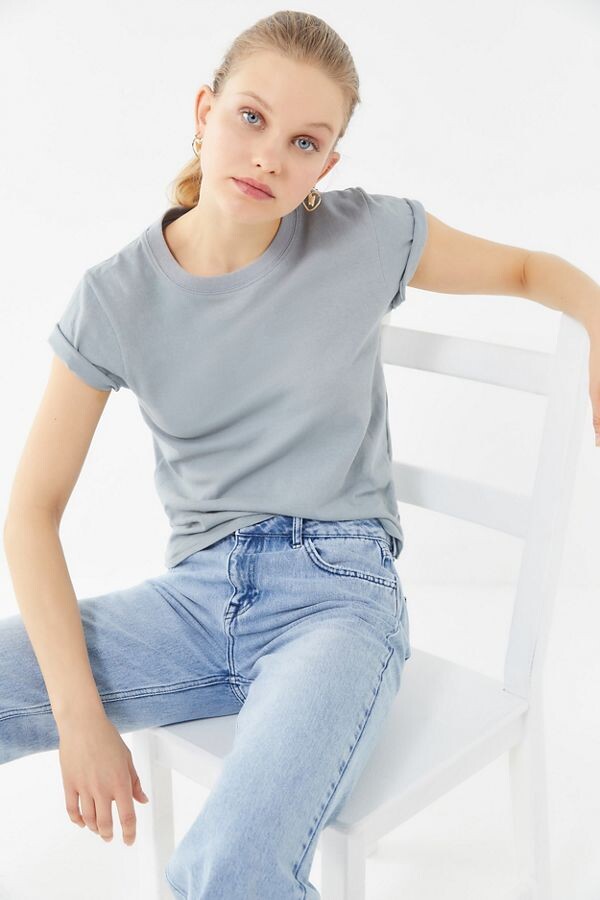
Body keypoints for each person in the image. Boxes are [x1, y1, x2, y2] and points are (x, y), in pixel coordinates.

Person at [3, 10, 599, 900]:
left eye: (304, 142)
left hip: (339, 599)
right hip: (195, 601)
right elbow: (30, 512)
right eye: (251, 117)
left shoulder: (365, 237)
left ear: (328, 163)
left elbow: (525, 271)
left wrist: (597, 313)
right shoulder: (116, 296)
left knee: (228, 867)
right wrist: (81, 719)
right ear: (203, 111)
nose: (269, 157)